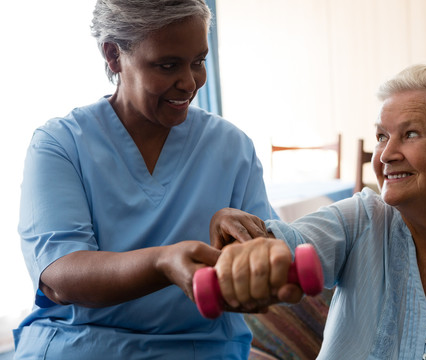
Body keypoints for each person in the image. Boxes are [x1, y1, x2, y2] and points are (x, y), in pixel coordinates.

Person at [209, 65, 426, 359]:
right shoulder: (363, 218)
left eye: (410, 134)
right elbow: (287, 245)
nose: (385, 154)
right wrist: (249, 239)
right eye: (382, 136)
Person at [14, 1, 273, 359]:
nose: (189, 82)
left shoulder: (232, 147)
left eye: (198, 62)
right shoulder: (61, 144)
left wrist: (249, 259)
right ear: (113, 55)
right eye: (167, 65)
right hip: (81, 346)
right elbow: (60, 275)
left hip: (197, 348)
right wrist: (162, 263)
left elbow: (269, 255)